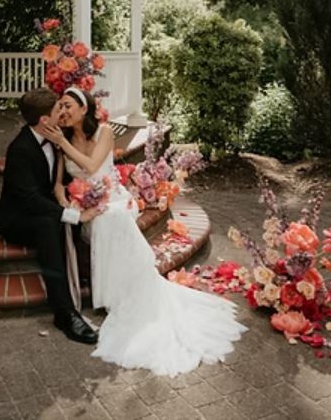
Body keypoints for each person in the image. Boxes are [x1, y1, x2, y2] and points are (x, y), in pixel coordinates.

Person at [40, 86, 247, 377]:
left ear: (83, 108)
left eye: (67, 105)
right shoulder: (61, 146)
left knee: (113, 218)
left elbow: (91, 165)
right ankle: (118, 295)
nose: (62, 111)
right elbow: (59, 184)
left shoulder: (104, 132)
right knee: (104, 220)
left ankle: (127, 295)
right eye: (59, 107)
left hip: (115, 198)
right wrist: (69, 205)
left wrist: (63, 141)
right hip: (89, 206)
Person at [0, 87, 101, 344]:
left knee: (57, 218)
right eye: (57, 109)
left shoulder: (55, 135)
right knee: (49, 225)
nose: (61, 112)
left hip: (44, 208)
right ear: (44, 120)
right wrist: (73, 215)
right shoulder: (20, 149)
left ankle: (82, 273)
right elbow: (29, 200)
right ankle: (64, 313)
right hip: (16, 218)